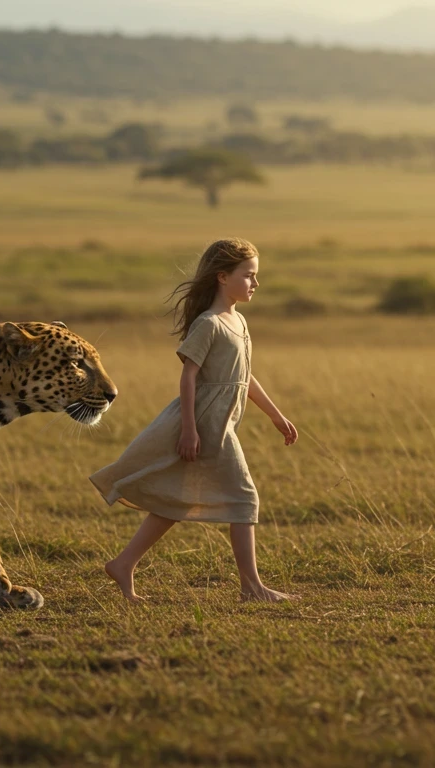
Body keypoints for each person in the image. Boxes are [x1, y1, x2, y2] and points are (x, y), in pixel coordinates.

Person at [90, 237, 299, 603]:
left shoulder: (238, 321)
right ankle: (251, 587)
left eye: (256, 276)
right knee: (245, 497)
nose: (256, 283)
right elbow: (189, 377)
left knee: (179, 499)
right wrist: (189, 429)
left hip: (222, 422)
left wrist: (276, 415)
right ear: (222, 276)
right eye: (249, 275)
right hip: (206, 422)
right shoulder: (209, 324)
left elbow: (244, 376)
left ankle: (123, 564)